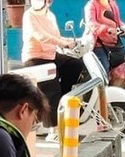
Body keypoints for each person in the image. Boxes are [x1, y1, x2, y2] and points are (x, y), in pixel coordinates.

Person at [22, 0, 84, 140]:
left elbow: (55, 36)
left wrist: (72, 41)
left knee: (75, 65)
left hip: (51, 55)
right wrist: (64, 43)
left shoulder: (50, 15)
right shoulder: (29, 16)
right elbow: (41, 36)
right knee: (52, 88)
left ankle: (63, 99)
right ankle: (53, 130)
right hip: (35, 57)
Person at [84, 0, 125, 78]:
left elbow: (117, 21)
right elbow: (91, 23)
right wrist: (106, 29)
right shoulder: (91, 5)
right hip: (98, 44)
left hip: (114, 43)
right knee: (104, 69)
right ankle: (101, 89)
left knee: (123, 66)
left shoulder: (112, 3)